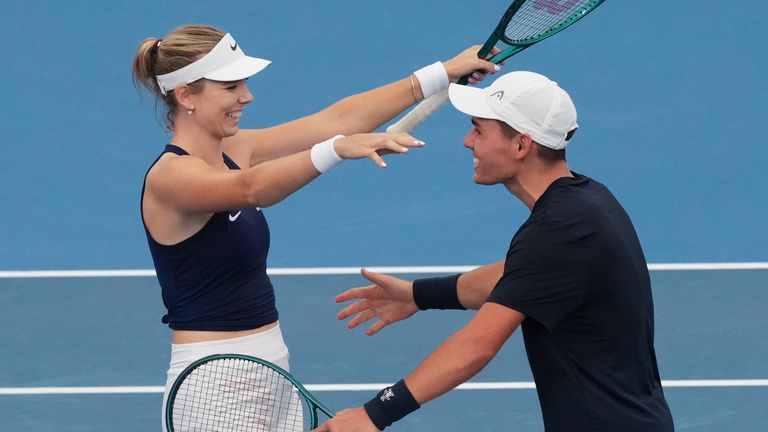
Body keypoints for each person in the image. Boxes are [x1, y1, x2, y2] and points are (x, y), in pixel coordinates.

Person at [131, 24, 499, 431]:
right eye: (231, 86)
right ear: (186, 95)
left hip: (272, 370)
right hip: (215, 386)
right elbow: (252, 188)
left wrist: (443, 72)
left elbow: (337, 119)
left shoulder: (234, 149)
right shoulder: (170, 179)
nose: (246, 96)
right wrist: (335, 150)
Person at [317, 71, 675, 431]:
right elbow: (514, 276)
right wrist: (417, 295)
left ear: (521, 145)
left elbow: (476, 346)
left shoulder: (558, 231)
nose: (466, 141)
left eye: (478, 130)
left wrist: (374, 414)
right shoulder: (586, 201)